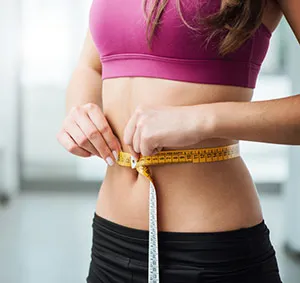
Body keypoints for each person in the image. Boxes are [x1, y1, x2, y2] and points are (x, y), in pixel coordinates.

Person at [57, 0, 299, 282]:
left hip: (210, 253)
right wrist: (80, 112)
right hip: (109, 242)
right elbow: (91, 66)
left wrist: (201, 120)